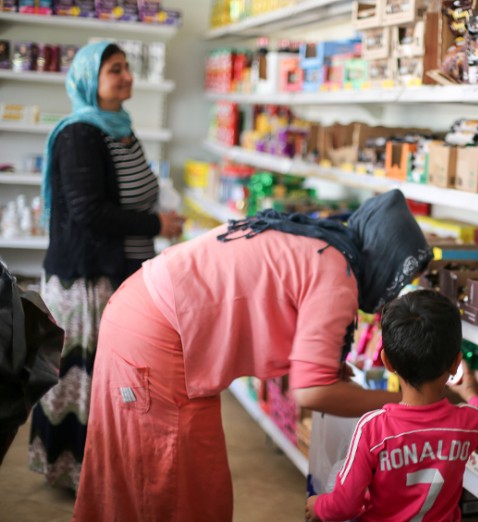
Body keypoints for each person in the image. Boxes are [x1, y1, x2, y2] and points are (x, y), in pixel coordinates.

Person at [71, 189, 432, 521]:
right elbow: (311, 392)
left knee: (190, 484)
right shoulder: (338, 275)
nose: (394, 292)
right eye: (399, 279)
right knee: (170, 488)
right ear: (385, 258)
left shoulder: (323, 245)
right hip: (156, 342)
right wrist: (405, 403)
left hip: (149, 318)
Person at [28, 41, 184, 492]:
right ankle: (73, 472)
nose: (127, 76)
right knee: (82, 378)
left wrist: (160, 213)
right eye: (114, 70)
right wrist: (157, 221)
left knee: (109, 377)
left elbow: (128, 192)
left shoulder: (121, 128)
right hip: (85, 279)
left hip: (118, 272)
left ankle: (101, 469)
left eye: (128, 68)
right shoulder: (80, 134)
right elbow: (87, 211)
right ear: (88, 80)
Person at [305, 289, 478, 522]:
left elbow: (344, 506)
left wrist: (318, 505)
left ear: (387, 362)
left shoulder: (373, 429)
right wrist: (473, 395)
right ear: (455, 364)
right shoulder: (469, 422)